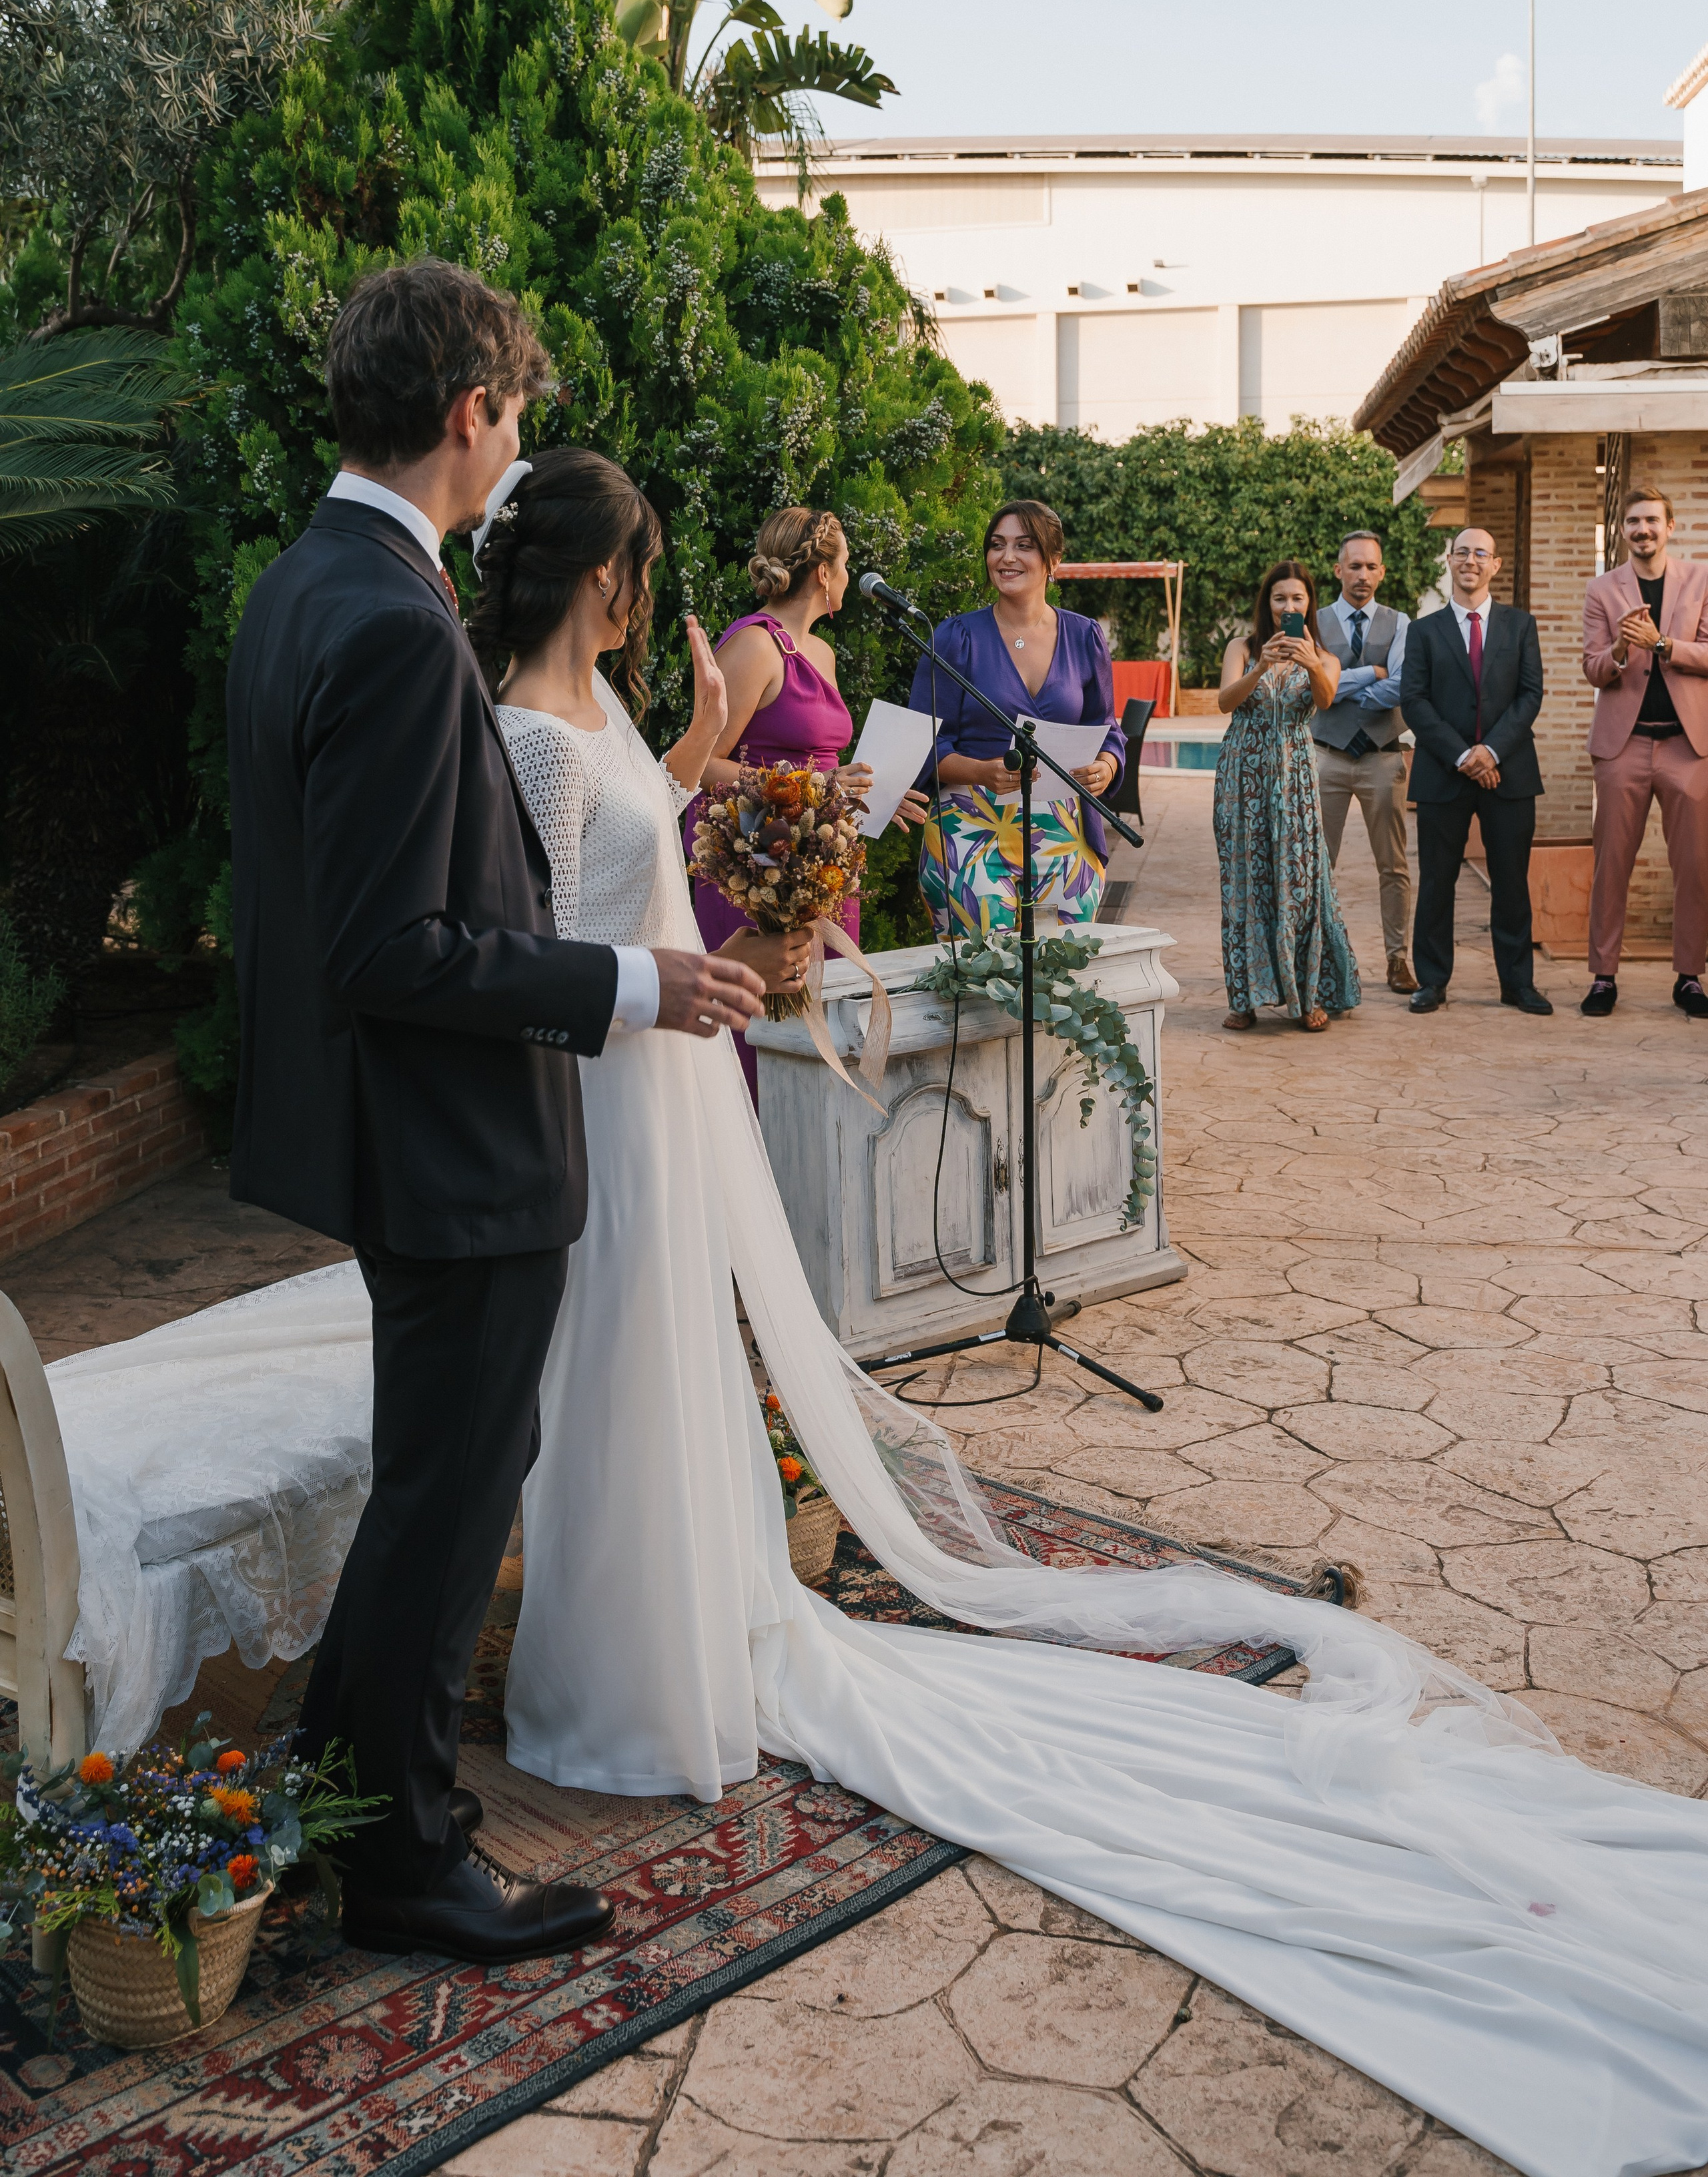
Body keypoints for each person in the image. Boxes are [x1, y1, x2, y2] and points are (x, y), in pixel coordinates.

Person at [185, 448, 1708, 2172]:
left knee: (621, 1388)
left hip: (642, 1075)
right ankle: (523, 1725)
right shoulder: (518, 725)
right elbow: (518, 932)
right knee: (549, 1415)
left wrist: (692, 760)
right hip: (582, 1089)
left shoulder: (585, 706)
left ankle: (573, 1683)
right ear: (603, 579)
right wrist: (655, 962)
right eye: (639, 572)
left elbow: (619, 856)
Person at [224, 258, 765, 1964]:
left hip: (392, 1132)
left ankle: (330, 1793)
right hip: (454, 1143)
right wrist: (629, 986)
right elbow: (398, 941)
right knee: (453, 1494)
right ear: (471, 411)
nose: (515, 433)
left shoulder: (306, 583)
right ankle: (409, 1860)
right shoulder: (389, 619)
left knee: (432, 1479)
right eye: (513, 406)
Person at [687, 507, 921, 1101]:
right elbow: (700, 765)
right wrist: (816, 790)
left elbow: (826, 769)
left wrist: (874, 798)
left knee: (822, 1024)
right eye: (846, 564)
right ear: (823, 573)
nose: (849, 575)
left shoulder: (821, 654)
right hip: (758, 872)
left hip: (816, 868)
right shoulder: (756, 646)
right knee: (760, 1037)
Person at [907, 500, 1124, 938]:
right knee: (986, 978)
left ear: (1053, 561)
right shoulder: (955, 637)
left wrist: (1105, 766)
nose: (1006, 558)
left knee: (1062, 980)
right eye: (997, 545)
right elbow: (923, 742)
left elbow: (1108, 730)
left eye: (1023, 546)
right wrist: (982, 772)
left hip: (1063, 830)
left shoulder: (1085, 637)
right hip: (969, 827)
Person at [1400, 528, 1549, 1016]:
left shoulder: (1520, 626)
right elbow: (1414, 702)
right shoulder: (1423, 630)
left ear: (1495, 564)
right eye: (1462, 552)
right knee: (1437, 883)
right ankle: (1432, 982)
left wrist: (1491, 751)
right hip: (1444, 773)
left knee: (1511, 883)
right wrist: (1464, 756)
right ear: (1450, 561)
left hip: (1509, 772)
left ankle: (1517, 984)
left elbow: (1530, 695)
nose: (1470, 560)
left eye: (1480, 553)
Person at [1213, 560, 1360, 1033]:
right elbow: (1225, 702)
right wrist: (1261, 667)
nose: (1289, 607)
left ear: (1309, 604)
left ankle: (1309, 995)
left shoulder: (1326, 656)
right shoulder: (1242, 647)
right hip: (1243, 776)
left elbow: (1326, 699)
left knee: (1300, 882)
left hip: (1295, 777)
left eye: (1298, 599)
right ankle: (1244, 998)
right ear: (1267, 604)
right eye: (1280, 599)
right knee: (1244, 882)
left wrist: (1313, 663)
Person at [1579, 482, 1708, 1019]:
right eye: (1633, 522)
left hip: (1688, 745)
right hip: (1623, 745)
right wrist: (1618, 649)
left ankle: (1689, 977)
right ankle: (1604, 977)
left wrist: (1660, 645)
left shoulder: (1702, 579)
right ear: (1623, 531)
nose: (1643, 530)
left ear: (1670, 527)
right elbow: (1592, 668)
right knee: (1612, 862)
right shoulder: (1602, 590)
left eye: (1652, 521)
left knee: (1696, 865)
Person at [1312, 531, 1416, 994]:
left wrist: (1336, 688)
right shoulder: (1312, 623)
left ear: (1382, 572)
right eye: (1354, 566)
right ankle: (1313, 956)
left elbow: (1401, 686)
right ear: (1339, 571)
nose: (1363, 575)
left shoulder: (1401, 623)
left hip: (1382, 758)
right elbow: (1308, 684)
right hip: (1326, 759)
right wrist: (1362, 677)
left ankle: (1398, 959)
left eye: (1371, 566)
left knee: (1393, 865)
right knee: (1316, 863)